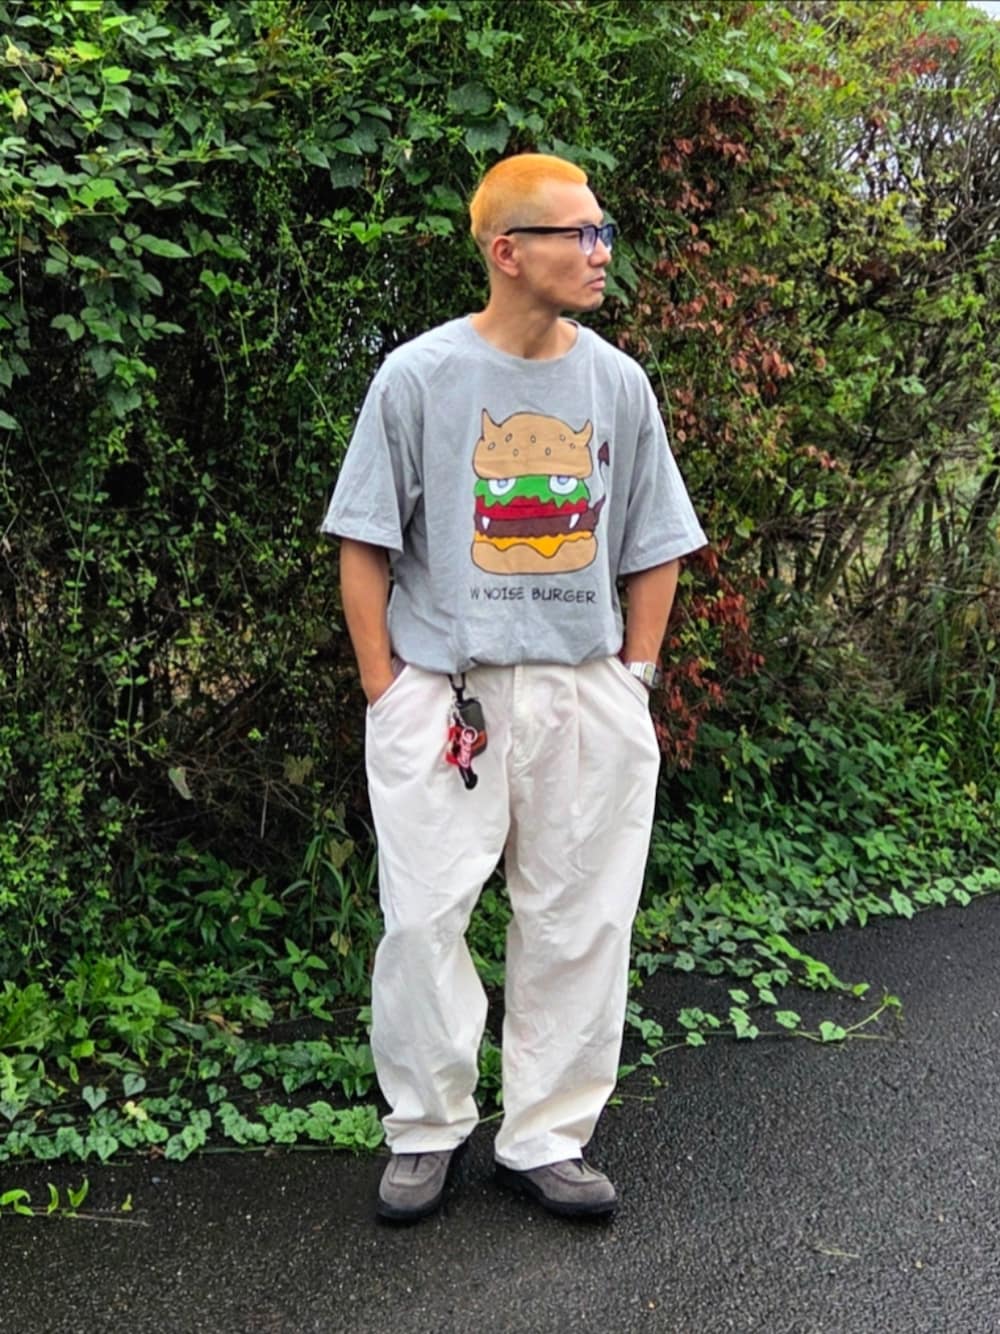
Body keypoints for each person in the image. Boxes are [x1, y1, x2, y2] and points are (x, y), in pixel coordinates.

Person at [321, 152, 707, 1223]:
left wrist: (633, 680)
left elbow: (656, 540)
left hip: (583, 691)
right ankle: (427, 1126)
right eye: (580, 233)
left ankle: (547, 1134)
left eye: (602, 231)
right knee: (421, 921)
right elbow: (364, 541)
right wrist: (385, 689)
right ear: (508, 252)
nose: (601, 251)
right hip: (447, 694)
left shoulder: (616, 383)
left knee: (582, 918)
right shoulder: (418, 377)